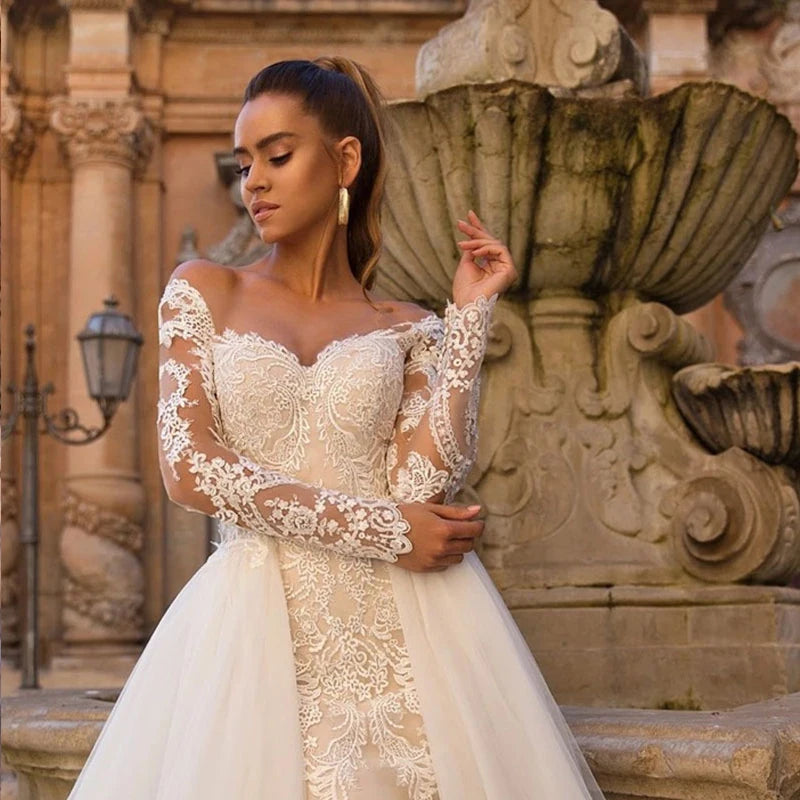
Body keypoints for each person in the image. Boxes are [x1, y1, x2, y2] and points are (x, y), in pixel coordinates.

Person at [65, 57, 605, 799]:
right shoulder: (204, 289)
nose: (253, 180)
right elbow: (190, 467)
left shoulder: (407, 326)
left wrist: (470, 320)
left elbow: (422, 484)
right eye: (244, 160)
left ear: (344, 159)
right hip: (256, 628)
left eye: (278, 156)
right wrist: (387, 532)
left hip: (412, 633)